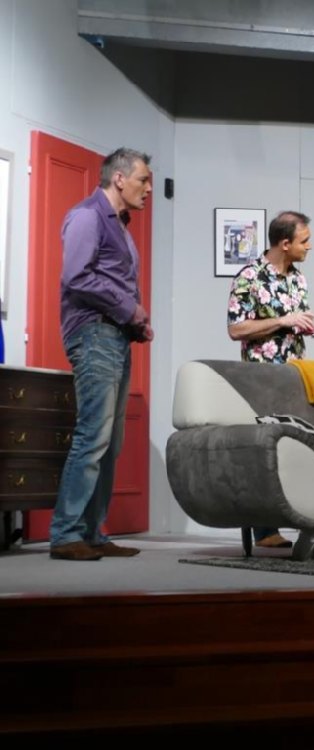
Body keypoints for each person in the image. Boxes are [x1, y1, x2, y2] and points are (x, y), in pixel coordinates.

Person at [50, 148, 154, 561]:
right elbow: (76, 277)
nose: (148, 187)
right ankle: (66, 534)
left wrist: (135, 322)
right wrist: (129, 308)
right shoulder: (87, 216)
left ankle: (92, 533)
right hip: (93, 334)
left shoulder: (120, 226)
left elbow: (109, 280)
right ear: (119, 179)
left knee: (110, 442)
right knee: (93, 435)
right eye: (143, 179)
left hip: (114, 336)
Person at [227, 210, 314, 549]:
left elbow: (293, 323)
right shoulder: (249, 277)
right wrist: (283, 320)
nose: (309, 247)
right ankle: (264, 531)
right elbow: (236, 329)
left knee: (292, 450)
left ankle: (289, 524)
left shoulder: (298, 279)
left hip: (293, 376)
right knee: (263, 452)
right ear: (285, 243)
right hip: (261, 380)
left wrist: (304, 324)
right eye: (305, 241)